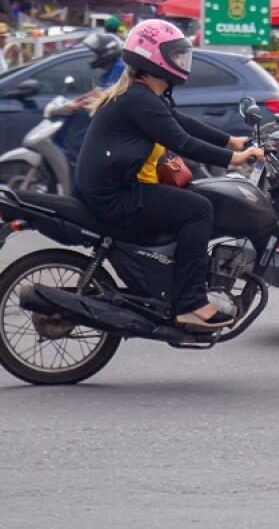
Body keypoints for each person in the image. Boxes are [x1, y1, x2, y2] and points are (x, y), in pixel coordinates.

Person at [75, 21, 264, 330]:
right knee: (199, 209)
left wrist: (230, 141)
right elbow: (183, 142)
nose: (181, 62)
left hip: (111, 189)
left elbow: (179, 122)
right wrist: (236, 158)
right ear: (153, 58)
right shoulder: (140, 100)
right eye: (176, 55)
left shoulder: (142, 96)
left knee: (197, 198)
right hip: (115, 196)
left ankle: (173, 279)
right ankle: (190, 303)